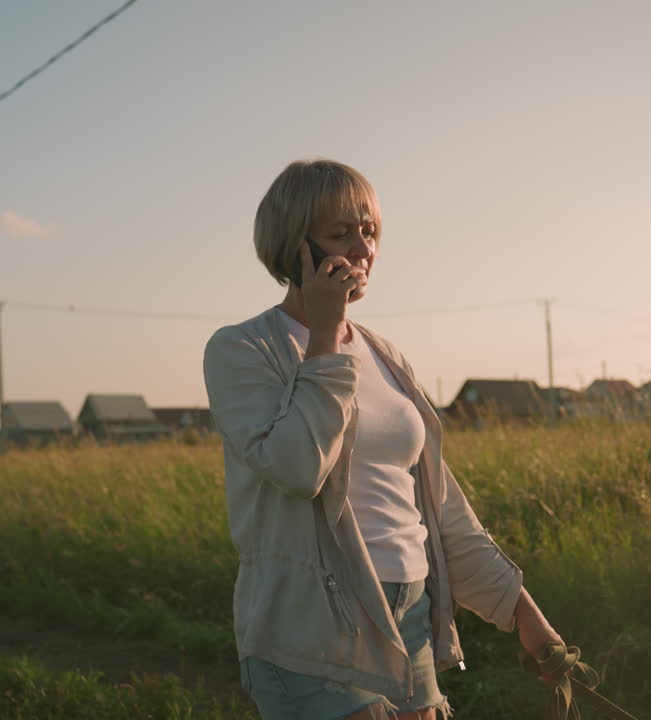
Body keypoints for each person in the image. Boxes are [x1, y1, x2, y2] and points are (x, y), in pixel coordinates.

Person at [203, 159, 564, 720]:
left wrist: (523, 613)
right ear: (294, 245)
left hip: (411, 617)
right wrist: (324, 338)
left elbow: (437, 503)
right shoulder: (243, 350)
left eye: (369, 230)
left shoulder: (385, 354)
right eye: (341, 232)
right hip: (311, 629)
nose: (363, 247)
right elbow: (299, 468)